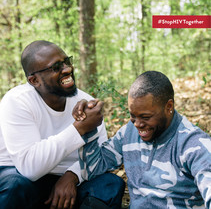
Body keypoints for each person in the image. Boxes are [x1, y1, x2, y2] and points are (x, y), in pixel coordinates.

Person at [0, 40, 125, 209]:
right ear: (34, 80)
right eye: (56, 67)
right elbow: (30, 168)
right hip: (22, 180)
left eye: (67, 61)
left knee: (110, 184)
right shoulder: (17, 101)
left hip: (69, 184)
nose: (67, 69)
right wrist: (80, 128)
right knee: (14, 184)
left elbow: (99, 156)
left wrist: (72, 175)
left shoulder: (86, 102)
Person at [75, 71, 211, 209]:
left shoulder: (193, 144)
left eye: (145, 117)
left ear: (168, 107)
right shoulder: (129, 133)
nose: (137, 124)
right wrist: (88, 128)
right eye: (133, 116)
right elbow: (92, 171)